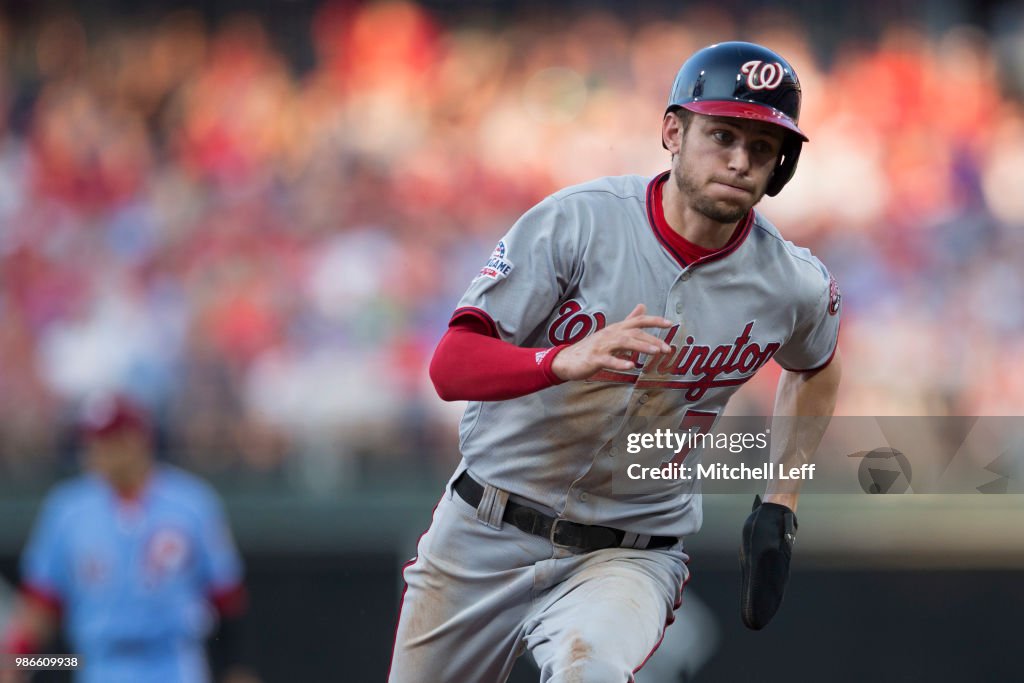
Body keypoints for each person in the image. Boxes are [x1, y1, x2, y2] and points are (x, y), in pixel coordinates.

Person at [388, 41, 842, 682]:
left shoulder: (790, 281)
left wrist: (781, 499)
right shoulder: (579, 221)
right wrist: (558, 360)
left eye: (761, 148)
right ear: (673, 131)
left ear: (781, 166)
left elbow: (817, 366)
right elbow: (451, 365)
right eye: (721, 135)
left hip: (628, 554)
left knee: (590, 672)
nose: (740, 161)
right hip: (484, 530)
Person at [0, 394, 258, 683]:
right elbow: (42, 601)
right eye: (94, 441)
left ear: (138, 439)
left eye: (111, 440)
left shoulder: (191, 502)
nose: (99, 451)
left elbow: (226, 598)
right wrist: (15, 659)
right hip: (99, 661)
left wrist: (236, 670)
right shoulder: (68, 509)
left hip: (174, 659)